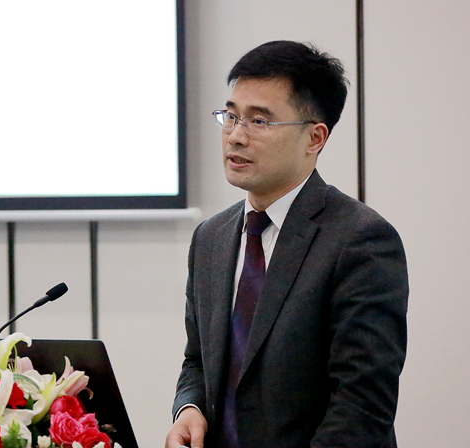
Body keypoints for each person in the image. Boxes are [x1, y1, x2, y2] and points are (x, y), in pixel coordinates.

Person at [165, 40, 408, 448]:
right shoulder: (210, 238)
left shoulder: (361, 241)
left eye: (259, 121)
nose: (235, 137)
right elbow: (198, 362)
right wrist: (188, 409)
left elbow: (362, 407)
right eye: (231, 116)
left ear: (315, 138)